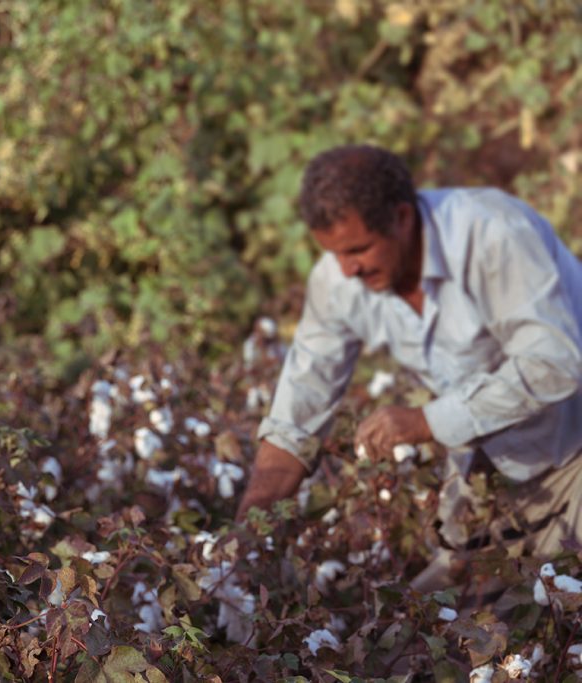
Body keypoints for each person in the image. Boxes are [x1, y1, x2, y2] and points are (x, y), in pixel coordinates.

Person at [236, 144, 582, 593]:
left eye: (359, 249)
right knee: (433, 631)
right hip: (492, 472)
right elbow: (295, 419)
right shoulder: (338, 279)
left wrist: (426, 421)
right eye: (335, 253)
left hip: (575, 448)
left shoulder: (493, 233)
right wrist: (242, 544)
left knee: (557, 628)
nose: (349, 269)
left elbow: (555, 362)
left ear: (402, 217)